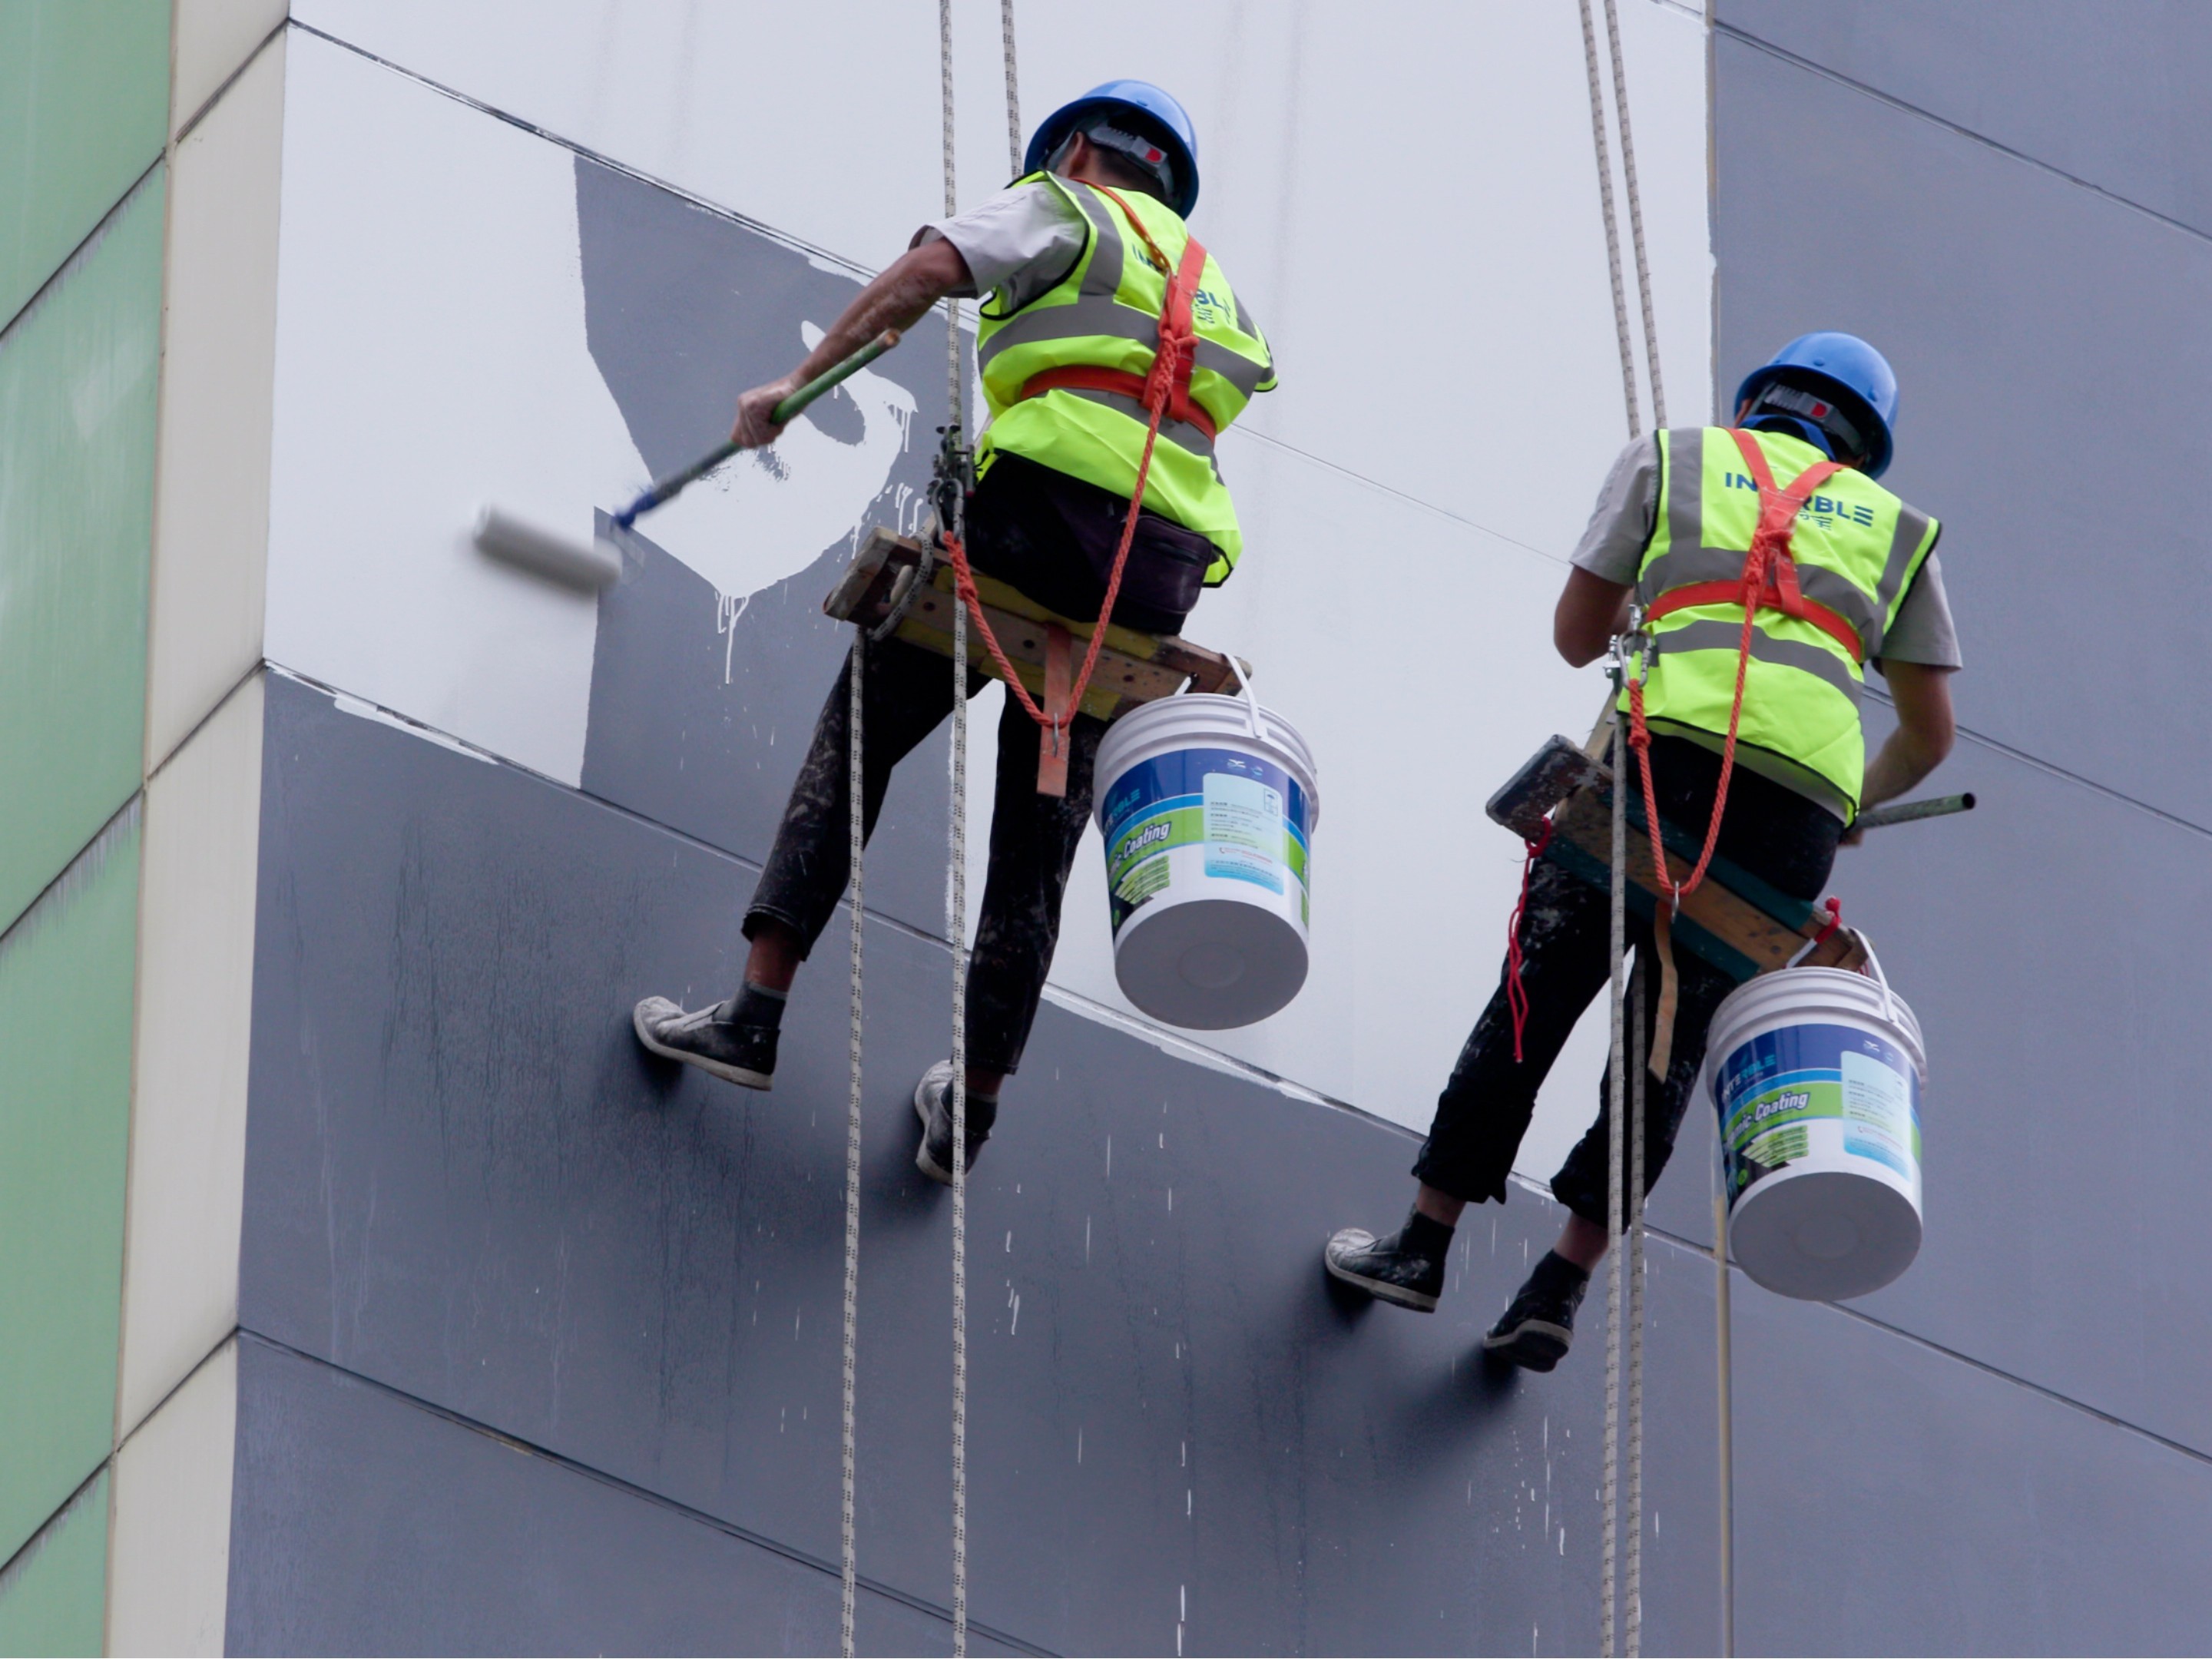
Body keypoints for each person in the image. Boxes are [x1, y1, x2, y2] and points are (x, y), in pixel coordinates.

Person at [632, 81, 1276, 1183]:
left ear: (1080, 149)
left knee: (864, 733)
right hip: (1154, 587)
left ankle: (753, 1015)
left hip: (1037, 534)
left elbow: (931, 270)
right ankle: (970, 1116)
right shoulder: (1218, 295)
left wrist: (798, 383)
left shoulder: (1065, 206)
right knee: (1041, 841)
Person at [1323, 333, 1959, 1370]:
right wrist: (1849, 803)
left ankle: (1422, 1246)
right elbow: (1929, 739)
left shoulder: (1676, 458)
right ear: (1862, 448)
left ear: (1762, 402)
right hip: (1792, 825)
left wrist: (1656, 603)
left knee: (1534, 997)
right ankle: (1560, 1288)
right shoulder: (1901, 533)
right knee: (1667, 1048)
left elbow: (1579, 636)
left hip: (1663, 772)